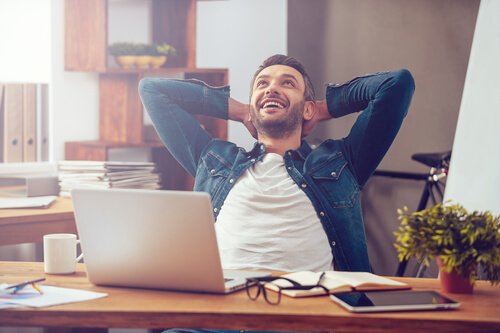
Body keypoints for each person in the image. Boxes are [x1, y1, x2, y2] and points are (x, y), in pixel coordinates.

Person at [139, 54, 414, 275]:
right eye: (262, 84)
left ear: (307, 108)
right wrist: (238, 110)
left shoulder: (342, 163)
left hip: (306, 318)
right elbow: (151, 90)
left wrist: (321, 108)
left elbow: (396, 84)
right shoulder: (213, 160)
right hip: (219, 320)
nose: (272, 87)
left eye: (288, 83)